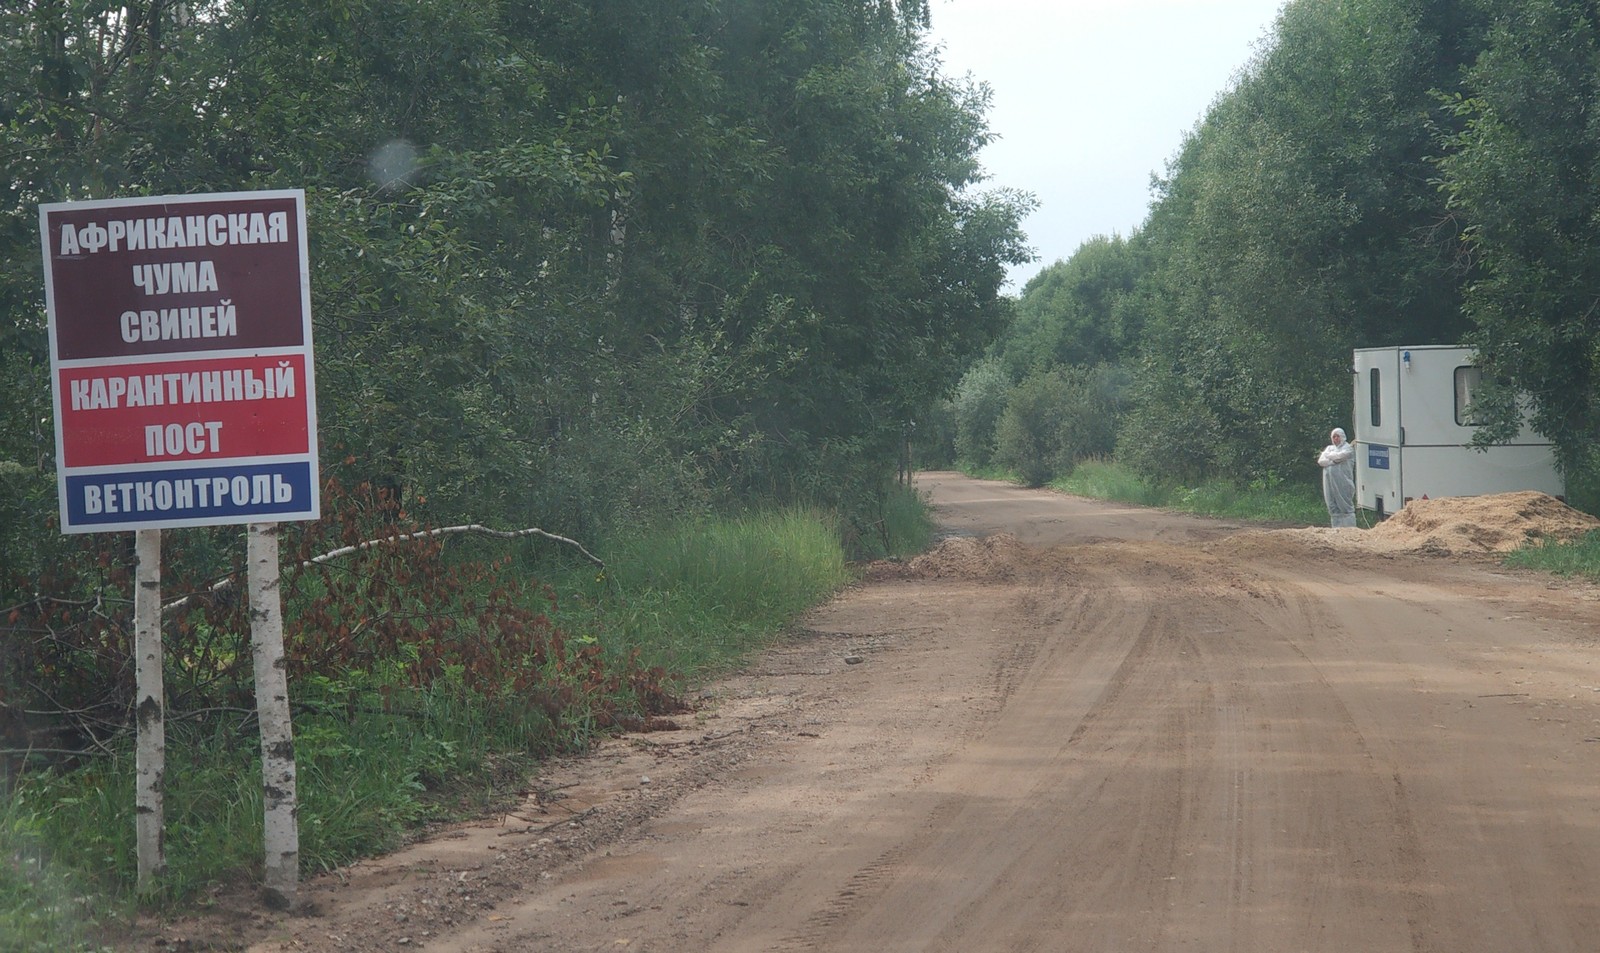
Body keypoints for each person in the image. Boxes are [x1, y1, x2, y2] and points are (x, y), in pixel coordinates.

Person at [1317, 427, 1357, 528]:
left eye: (1337, 436)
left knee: (1344, 505)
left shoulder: (1348, 448)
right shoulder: (1330, 448)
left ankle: (1350, 529)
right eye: (1333, 437)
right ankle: (1336, 529)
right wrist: (1332, 460)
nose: (1335, 439)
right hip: (1329, 482)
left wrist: (1328, 457)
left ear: (1342, 437)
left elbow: (1339, 457)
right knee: (1332, 505)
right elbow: (1321, 461)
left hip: (1343, 481)